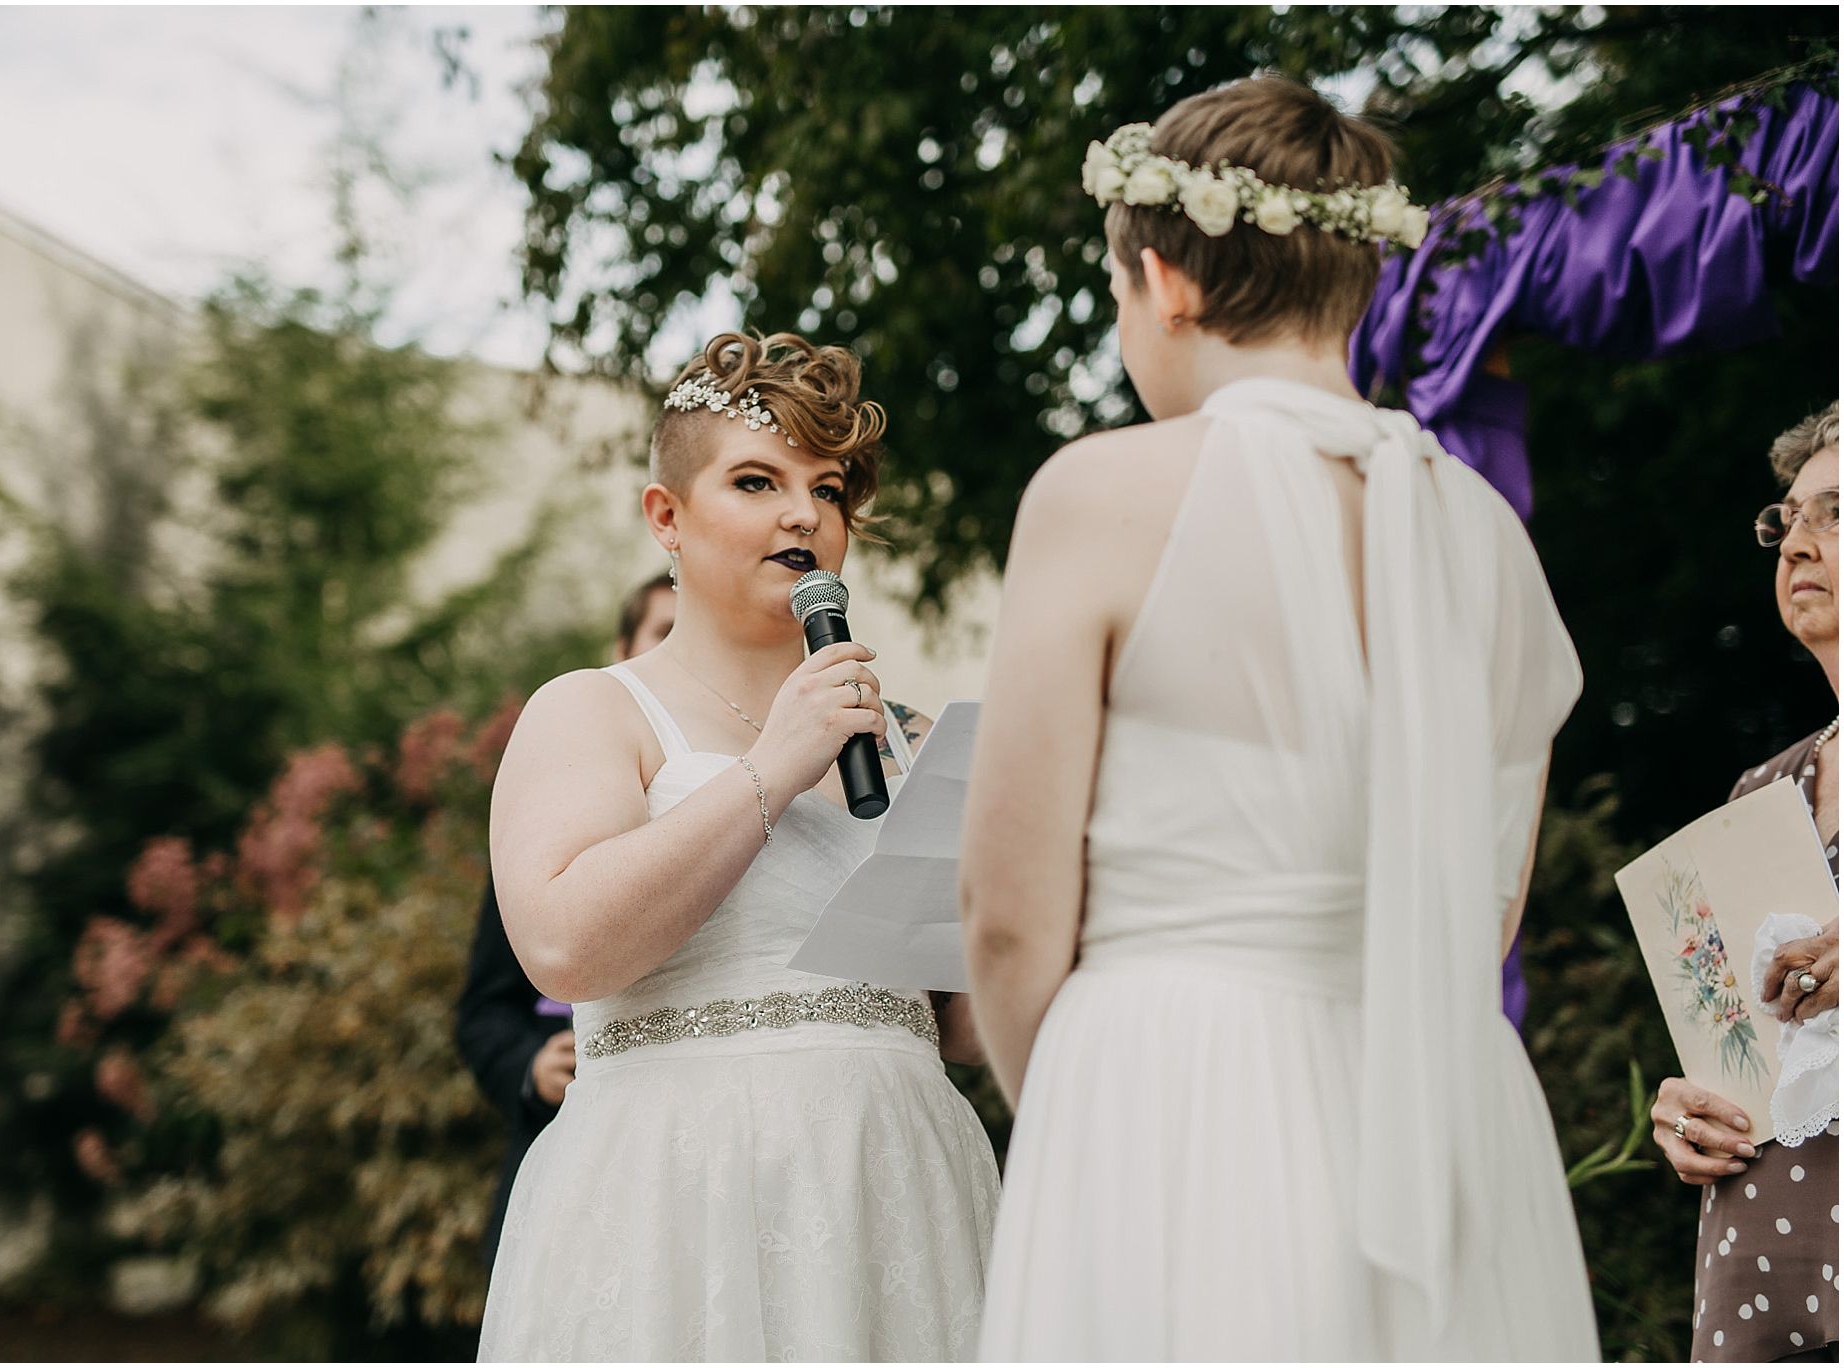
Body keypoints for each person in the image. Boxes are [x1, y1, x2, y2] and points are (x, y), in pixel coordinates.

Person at [959, 76, 1598, 1360]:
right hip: (1444, 1102)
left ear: (1166, 281)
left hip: (1170, 1090)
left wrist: (1069, 1112)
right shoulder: (1484, 532)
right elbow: (1491, 905)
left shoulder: (1100, 493)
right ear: (1348, 282)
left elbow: (1007, 913)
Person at [477, 331, 999, 1361]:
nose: (802, 513)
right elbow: (564, 948)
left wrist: (1012, 893)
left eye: (829, 488)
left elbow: (967, 1034)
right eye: (757, 481)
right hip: (672, 1196)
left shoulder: (909, 739)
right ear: (664, 517)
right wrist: (774, 766)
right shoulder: (590, 712)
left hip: (892, 1190)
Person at [1650, 400, 1839, 1363]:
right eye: (1788, 519)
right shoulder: (1761, 792)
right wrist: (1691, 1110)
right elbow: (1738, 1052)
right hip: (1766, 1253)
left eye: (1836, 513)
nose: (1796, 541)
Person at [453, 572, 676, 1272]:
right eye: (664, 634)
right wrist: (528, 1065)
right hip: (571, 1142)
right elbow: (483, 1007)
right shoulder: (552, 811)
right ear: (624, 647)